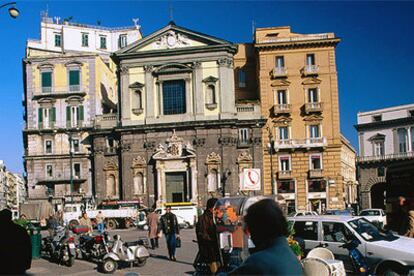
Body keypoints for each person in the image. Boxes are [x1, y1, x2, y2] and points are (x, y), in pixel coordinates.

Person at [228, 199, 303, 275]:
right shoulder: (291, 256)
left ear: (259, 229)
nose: (250, 237)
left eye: (250, 230)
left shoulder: (259, 262)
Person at [0, 209, 32, 275]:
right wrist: (27, 263)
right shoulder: (20, 230)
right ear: (11, 217)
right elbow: (28, 247)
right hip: (17, 265)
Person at [196, 198, 220, 274]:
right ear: (212, 207)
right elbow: (202, 234)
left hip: (217, 249)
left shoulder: (216, 217)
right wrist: (212, 239)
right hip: (209, 249)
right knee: (214, 269)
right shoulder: (203, 218)